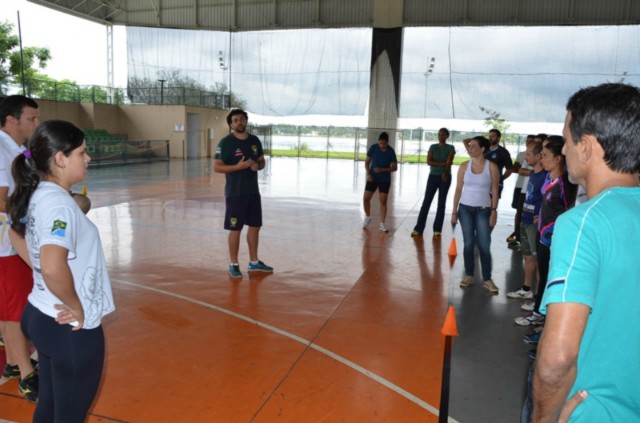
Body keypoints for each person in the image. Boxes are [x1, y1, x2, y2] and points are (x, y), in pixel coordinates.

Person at [533, 83, 640, 422]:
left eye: (566, 140)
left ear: (587, 146)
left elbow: (557, 359)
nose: (562, 150)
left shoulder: (582, 224)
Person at [8, 120, 115, 422]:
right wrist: (76, 306)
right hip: (67, 326)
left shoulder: (38, 192)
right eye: (82, 152)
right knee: (69, 416)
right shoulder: (59, 206)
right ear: (60, 158)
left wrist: (43, 274)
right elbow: (54, 266)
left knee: (51, 406)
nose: (88, 158)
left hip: (40, 313)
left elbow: (15, 235)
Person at [0, 95, 40, 402]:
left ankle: (14, 362)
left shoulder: (18, 150)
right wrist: (32, 213)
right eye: (31, 119)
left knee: (10, 307)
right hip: (5, 243)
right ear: (12, 120)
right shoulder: (1, 150)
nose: (36, 124)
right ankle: (28, 377)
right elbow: (1, 199)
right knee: (14, 311)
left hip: (13, 239)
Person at [515, 136, 576, 329]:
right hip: (543, 233)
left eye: (545, 155)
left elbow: (568, 211)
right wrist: (540, 216)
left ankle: (540, 315)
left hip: (553, 238)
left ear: (558, 158)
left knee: (547, 277)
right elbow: (547, 204)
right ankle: (540, 312)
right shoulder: (550, 178)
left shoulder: (566, 184)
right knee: (543, 274)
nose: (541, 159)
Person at [214, 109, 273, 278]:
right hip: (235, 194)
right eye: (235, 120)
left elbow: (261, 160)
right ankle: (233, 264)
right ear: (231, 125)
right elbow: (217, 166)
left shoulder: (254, 140)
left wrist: (258, 165)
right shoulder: (226, 143)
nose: (239, 122)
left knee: (255, 227)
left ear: (246, 121)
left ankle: (254, 263)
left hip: (253, 192)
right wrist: (237, 167)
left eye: (242, 119)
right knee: (236, 229)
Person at [451, 136, 500, 293]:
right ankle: (469, 274)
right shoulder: (464, 166)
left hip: (483, 209)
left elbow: (495, 190)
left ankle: (487, 278)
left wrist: (494, 211)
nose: (470, 148)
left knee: (484, 244)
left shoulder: (491, 167)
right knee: (468, 243)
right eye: (469, 146)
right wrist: (454, 210)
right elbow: (458, 189)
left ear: (482, 149)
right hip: (465, 209)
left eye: (473, 146)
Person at [507, 141, 546, 305]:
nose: (526, 157)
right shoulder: (533, 174)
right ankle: (526, 289)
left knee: (536, 260)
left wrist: (541, 217)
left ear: (539, 156)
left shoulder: (545, 177)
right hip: (525, 219)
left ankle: (538, 298)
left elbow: (548, 200)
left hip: (534, 224)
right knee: (528, 257)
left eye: (529, 154)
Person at [411, 128, 455, 237]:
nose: (441, 136)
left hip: (445, 177)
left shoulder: (450, 147)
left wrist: (445, 171)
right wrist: (443, 163)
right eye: (439, 134)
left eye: (443, 135)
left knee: (441, 203)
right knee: (426, 202)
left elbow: (449, 162)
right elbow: (429, 161)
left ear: (447, 136)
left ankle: (437, 230)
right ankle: (419, 228)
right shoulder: (433, 147)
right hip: (433, 177)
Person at [362, 131, 398, 232]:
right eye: (380, 143)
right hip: (372, 178)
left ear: (387, 142)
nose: (382, 145)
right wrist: (368, 174)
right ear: (378, 142)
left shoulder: (391, 151)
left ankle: (382, 223)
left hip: (384, 180)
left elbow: (395, 168)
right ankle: (368, 217)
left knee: (383, 201)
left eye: (384, 144)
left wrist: (383, 170)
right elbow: (367, 162)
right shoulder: (373, 148)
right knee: (365, 199)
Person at [506, 135, 535, 248]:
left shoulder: (535, 156)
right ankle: (517, 232)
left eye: (531, 141)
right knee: (519, 210)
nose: (528, 143)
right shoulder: (521, 155)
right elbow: (517, 169)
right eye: (527, 141)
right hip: (520, 186)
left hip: (529, 188)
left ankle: (523, 234)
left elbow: (522, 169)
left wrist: (529, 171)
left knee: (528, 211)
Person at [485, 128, 514, 197]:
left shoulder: (503, 152)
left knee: (492, 204)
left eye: (493, 136)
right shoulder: (484, 149)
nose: (490, 138)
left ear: (499, 137)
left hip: (496, 184)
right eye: (489, 136)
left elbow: (509, 169)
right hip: (483, 182)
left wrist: (501, 178)